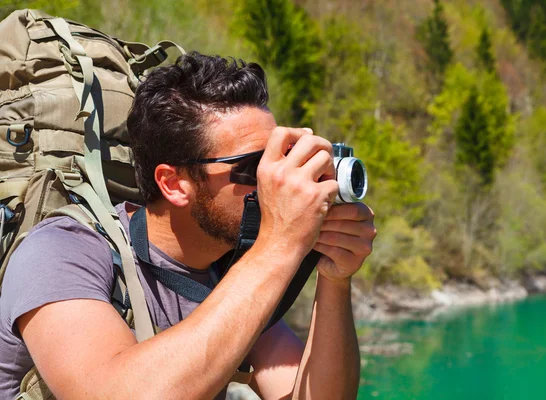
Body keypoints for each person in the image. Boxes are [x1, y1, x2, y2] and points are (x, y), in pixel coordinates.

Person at [0, 52, 376, 399]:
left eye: (279, 159)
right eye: (252, 167)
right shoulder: (63, 251)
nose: (272, 180)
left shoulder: (233, 269)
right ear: (174, 184)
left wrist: (334, 278)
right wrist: (280, 243)